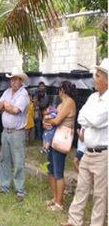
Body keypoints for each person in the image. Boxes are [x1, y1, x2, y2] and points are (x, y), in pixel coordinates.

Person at [63, 57, 108, 226]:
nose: (94, 78)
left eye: (97, 76)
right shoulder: (92, 97)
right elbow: (81, 117)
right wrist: (90, 119)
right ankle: (75, 220)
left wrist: (90, 119)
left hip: (102, 153)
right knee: (82, 187)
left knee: (99, 193)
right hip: (88, 151)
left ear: (105, 79)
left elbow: (97, 120)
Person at [0, 68, 31, 200]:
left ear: (21, 81)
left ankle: (20, 190)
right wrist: (6, 106)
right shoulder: (6, 92)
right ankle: (5, 186)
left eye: (16, 79)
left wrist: (6, 106)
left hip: (17, 132)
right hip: (6, 131)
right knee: (4, 159)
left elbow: (16, 110)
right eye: (12, 79)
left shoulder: (24, 94)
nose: (13, 81)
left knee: (18, 161)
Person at [44, 81, 77, 212]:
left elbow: (56, 120)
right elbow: (50, 117)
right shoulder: (61, 103)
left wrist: (48, 120)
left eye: (59, 89)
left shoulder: (69, 102)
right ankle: (55, 197)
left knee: (58, 172)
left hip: (61, 139)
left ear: (62, 90)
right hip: (54, 139)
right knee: (51, 169)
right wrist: (47, 120)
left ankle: (59, 203)